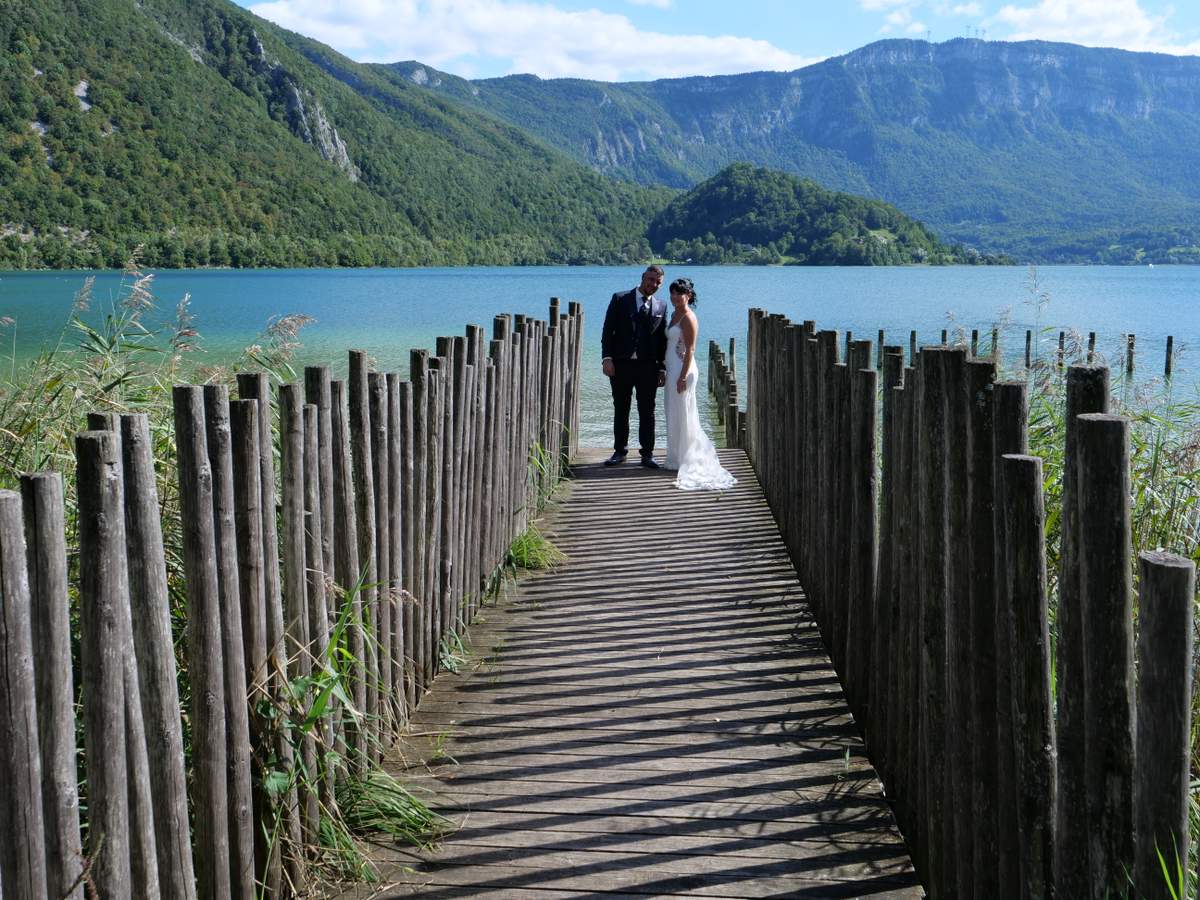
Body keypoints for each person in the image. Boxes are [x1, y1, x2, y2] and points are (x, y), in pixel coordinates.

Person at [664, 277, 737, 491]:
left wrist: (682, 377)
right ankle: (675, 457)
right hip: (671, 368)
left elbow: (691, 349)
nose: (674, 297)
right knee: (673, 412)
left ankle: (688, 459)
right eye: (672, 293)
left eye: (679, 293)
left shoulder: (689, 317)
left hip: (683, 370)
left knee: (684, 414)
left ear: (688, 295)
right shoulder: (674, 314)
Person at [601, 265, 668, 468]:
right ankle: (620, 451)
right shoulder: (620, 299)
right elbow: (608, 330)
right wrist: (607, 358)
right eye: (650, 279)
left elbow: (662, 341)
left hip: (648, 367)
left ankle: (647, 454)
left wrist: (662, 368)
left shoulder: (661, 306)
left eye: (658, 282)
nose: (653, 284)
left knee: (647, 411)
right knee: (621, 408)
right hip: (621, 365)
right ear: (643, 277)